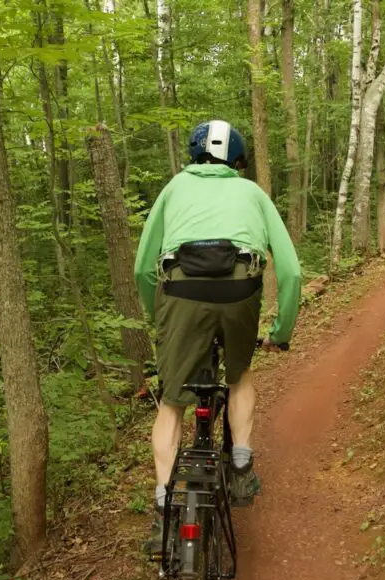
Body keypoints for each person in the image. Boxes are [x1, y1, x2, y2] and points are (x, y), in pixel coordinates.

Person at [134, 119, 301, 551]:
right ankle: (241, 467)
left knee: (172, 402)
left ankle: (164, 508)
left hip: (181, 292)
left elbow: (140, 268)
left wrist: (165, 320)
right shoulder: (252, 193)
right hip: (240, 291)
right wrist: (281, 331)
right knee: (240, 373)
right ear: (236, 162)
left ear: (194, 157)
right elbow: (292, 271)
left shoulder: (173, 189)